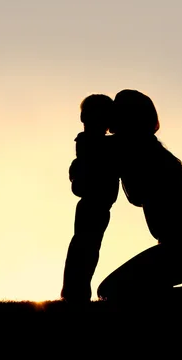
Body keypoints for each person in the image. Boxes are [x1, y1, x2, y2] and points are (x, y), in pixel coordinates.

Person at [97, 89, 182, 305]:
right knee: (118, 290)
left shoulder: (138, 150)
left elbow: (93, 145)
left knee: (112, 291)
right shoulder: (145, 148)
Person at [61, 94, 120, 304]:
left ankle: (75, 292)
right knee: (85, 246)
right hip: (94, 202)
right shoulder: (95, 142)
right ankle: (74, 293)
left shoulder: (95, 142)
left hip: (97, 203)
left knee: (85, 245)